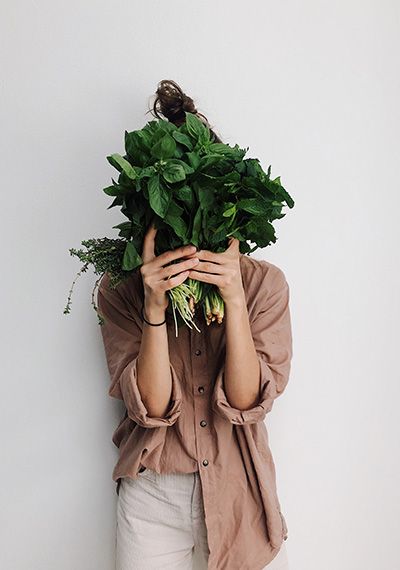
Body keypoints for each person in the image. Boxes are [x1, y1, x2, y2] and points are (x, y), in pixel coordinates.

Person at [97, 80, 293, 570]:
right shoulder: (119, 289)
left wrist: (232, 296)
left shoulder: (262, 284)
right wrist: (155, 307)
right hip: (153, 496)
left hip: (238, 489)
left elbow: (248, 404)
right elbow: (153, 408)